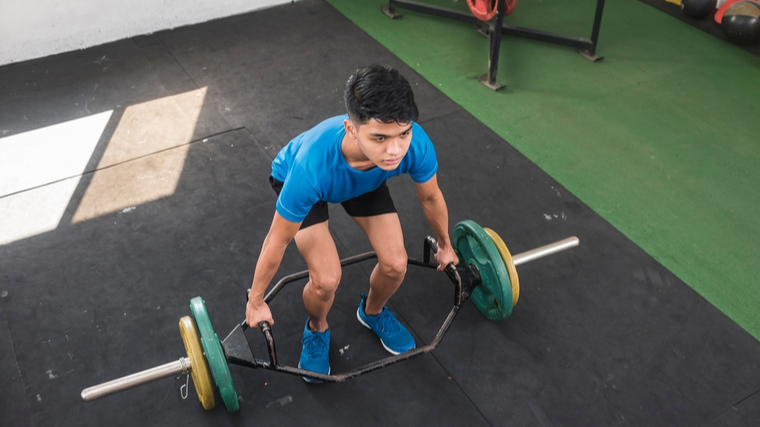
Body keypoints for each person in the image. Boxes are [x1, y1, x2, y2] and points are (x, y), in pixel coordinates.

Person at [245, 64, 459, 381]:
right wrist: (255, 300)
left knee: (396, 263)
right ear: (351, 129)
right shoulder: (310, 168)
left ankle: (371, 312)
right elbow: (277, 239)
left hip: (366, 181)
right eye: (380, 137)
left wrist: (445, 244)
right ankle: (317, 329)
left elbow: (430, 197)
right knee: (327, 278)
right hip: (310, 183)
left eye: (403, 133)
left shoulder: (413, 145)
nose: (396, 149)